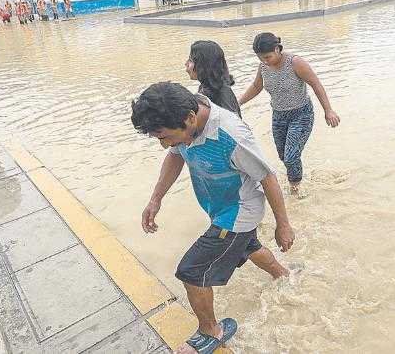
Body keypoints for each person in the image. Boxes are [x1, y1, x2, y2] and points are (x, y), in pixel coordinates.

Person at [132, 82, 295, 354]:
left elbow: (267, 176)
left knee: (192, 271)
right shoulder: (182, 122)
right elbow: (175, 156)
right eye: (157, 138)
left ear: (190, 119)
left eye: (164, 136)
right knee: (249, 247)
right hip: (218, 208)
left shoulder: (230, 135)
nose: (163, 145)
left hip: (239, 212)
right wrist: (155, 198)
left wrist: (284, 225)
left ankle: (212, 331)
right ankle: (284, 275)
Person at [239, 33, 341, 196]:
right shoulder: (263, 67)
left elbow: (315, 84)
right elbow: (256, 87)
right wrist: (238, 103)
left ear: (277, 49)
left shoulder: (295, 62)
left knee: (291, 156)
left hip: (301, 115)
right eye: (260, 58)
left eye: (268, 56)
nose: (265, 61)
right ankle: (298, 177)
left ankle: (296, 190)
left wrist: (328, 110)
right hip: (278, 116)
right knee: (283, 156)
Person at [186, 40, 241, 118]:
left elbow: (234, 124)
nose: (186, 63)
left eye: (190, 60)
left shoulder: (222, 94)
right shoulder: (205, 87)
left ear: (203, 66)